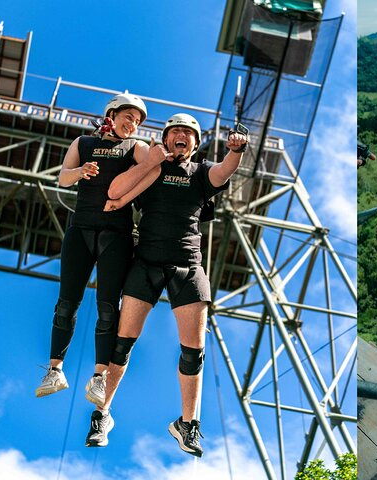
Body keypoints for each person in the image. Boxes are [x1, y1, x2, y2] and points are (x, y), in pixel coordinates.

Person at [82, 113, 248, 454]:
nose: (181, 137)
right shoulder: (152, 168)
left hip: (187, 267)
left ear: (196, 143)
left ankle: (187, 424)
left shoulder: (201, 173)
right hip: (145, 263)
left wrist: (236, 151)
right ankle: (102, 414)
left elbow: (223, 171)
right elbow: (119, 188)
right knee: (122, 343)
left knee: (193, 351)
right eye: (175, 132)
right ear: (166, 138)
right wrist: (141, 158)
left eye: (188, 133)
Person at [35, 94, 166, 408]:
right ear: (112, 114)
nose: (132, 123)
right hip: (80, 229)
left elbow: (154, 171)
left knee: (108, 307)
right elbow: (63, 179)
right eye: (128, 116)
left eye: (137, 119)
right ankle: (55, 371)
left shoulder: (137, 147)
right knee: (66, 303)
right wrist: (81, 171)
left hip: (116, 234)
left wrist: (121, 201)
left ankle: (99, 376)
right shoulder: (83, 143)